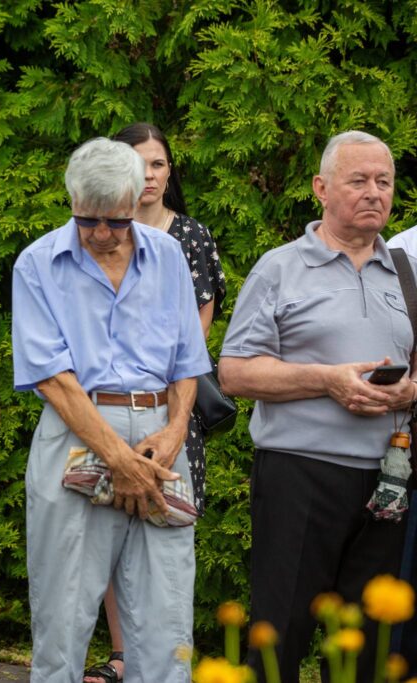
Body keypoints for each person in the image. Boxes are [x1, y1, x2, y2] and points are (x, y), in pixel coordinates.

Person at [12, 137, 210, 683]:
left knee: (167, 619)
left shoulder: (168, 254)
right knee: (63, 614)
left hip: (160, 442)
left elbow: (188, 361)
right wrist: (117, 457)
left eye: (115, 222)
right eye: (88, 220)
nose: (101, 233)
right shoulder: (37, 263)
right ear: (72, 200)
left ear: (136, 200)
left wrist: (172, 434)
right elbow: (54, 380)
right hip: (76, 437)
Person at [220, 131, 415, 683]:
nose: (373, 192)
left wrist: (410, 391)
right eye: (358, 180)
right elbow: (234, 371)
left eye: (384, 181)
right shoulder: (279, 268)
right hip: (299, 476)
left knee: (365, 648)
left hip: (387, 483)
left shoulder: (405, 273)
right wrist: (326, 381)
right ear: (321, 189)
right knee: (280, 635)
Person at [77, 123, 227, 683]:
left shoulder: (190, 236)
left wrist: (162, 403)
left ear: (169, 172)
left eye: (158, 164)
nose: (149, 175)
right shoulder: (88, 236)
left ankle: (163, 662)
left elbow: (196, 332)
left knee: (163, 531)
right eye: (137, 164)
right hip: (106, 408)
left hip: (172, 409)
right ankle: (121, 653)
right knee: (110, 520)